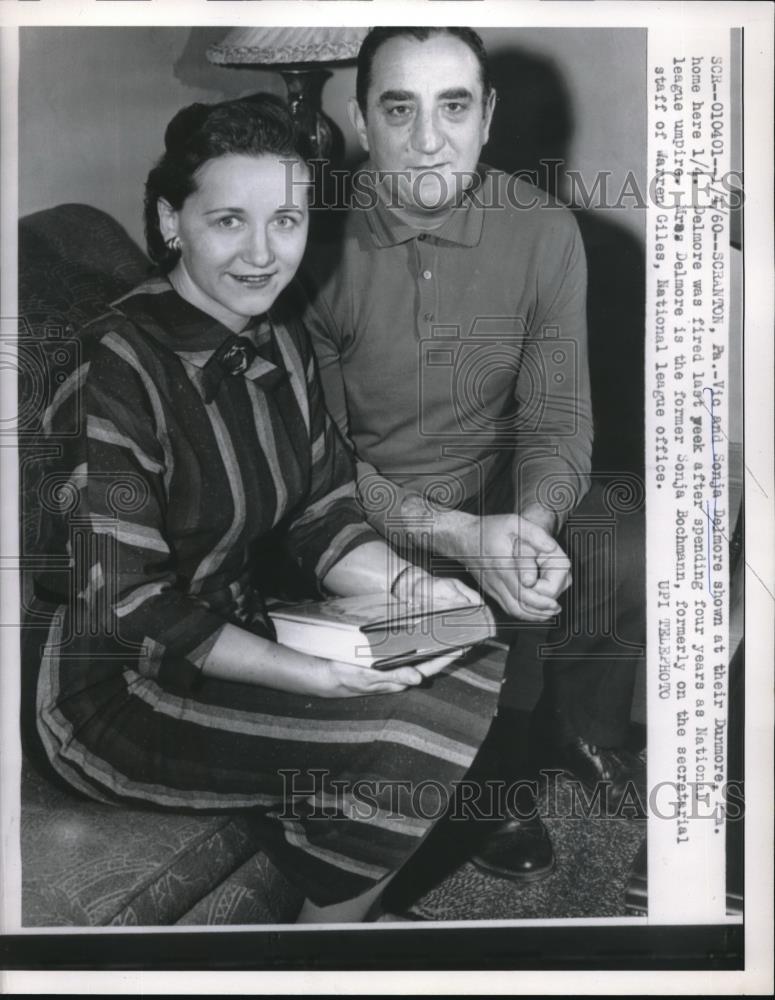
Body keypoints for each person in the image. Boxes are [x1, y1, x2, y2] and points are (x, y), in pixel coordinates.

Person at [20, 95, 509, 924]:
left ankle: (342, 889)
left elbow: (321, 508)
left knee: (466, 637)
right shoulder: (112, 366)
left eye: (284, 220)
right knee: (410, 722)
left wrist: (411, 589)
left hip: (253, 626)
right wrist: (310, 675)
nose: (261, 254)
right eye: (227, 222)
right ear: (173, 222)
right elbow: (132, 602)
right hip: (120, 694)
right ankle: (322, 949)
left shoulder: (276, 334)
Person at [301, 26, 646, 882]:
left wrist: (528, 523)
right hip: (360, 508)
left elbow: (558, 414)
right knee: (429, 602)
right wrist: (456, 539)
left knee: (630, 534)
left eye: (452, 106)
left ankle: (573, 725)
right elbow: (317, 467)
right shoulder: (304, 244)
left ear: (486, 115)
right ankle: (495, 768)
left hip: (494, 489)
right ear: (359, 117)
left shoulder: (544, 229)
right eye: (398, 108)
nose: (427, 139)